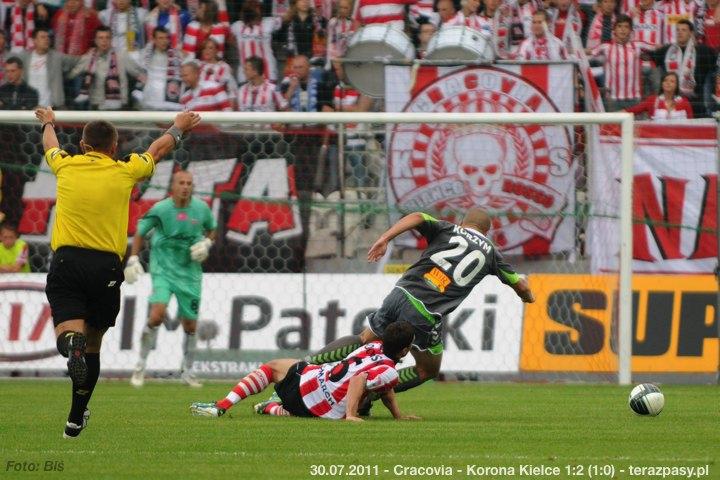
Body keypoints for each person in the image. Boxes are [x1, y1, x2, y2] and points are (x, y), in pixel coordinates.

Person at [34, 105, 201, 438]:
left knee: (69, 335)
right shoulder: (125, 170)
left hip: (68, 261)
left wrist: (48, 122)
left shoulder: (65, 165)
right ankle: (75, 417)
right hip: (106, 267)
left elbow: (50, 145)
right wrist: (178, 126)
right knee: (93, 345)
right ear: (114, 148)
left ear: (82, 146)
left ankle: (71, 346)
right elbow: (158, 148)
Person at [304, 208, 534, 414]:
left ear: (463, 223)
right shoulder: (492, 254)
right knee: (427, 369)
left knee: (364, 338)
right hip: (424, 312)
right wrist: (528, 298)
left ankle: (307, 365)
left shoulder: (448, 229)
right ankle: (368, 393)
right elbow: (521, 285)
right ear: (486, 231)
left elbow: (417, 216)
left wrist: (384, 238)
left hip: (400, 293)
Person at [190, 321, 419, 421]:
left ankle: (222, 405)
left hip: (308, 382)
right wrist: (351, 415)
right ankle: (272, 408)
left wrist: (397, 415)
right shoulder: (389, 371)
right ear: (405, 350)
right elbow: (362, 379)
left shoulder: (374, 345)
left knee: (272, 368)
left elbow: (383, 387)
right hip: (316, 409)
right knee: (363, 391)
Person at [125, 170, 217, 388]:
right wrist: (133, 258)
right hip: (163, 271)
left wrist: (206, 243)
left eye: (189, 183)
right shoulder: (161, 209)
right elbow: (140, 231)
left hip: (190, 274)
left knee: (190, 325)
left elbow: (212, 229)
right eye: (181, 183)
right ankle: (140, 366)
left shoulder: (201, 209)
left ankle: (187, 372)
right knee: (157, 314)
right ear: (172, 186)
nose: (185, 187)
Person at [650, 19, 716, 117]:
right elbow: (649, 57)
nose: (680, 32)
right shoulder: (667, 50)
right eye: (678, 30)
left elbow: (715, 64)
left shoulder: (703, 51)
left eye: (684, 30)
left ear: (691, 33)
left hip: (696, 101)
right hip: (674, 101)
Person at [589, 15, 652, 111]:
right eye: (619, 26)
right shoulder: (606, 47)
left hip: (634, 98)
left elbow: (657, 48)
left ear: (631, 31)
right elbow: (588, 52)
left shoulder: (638, 45)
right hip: (613, 98)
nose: (623, 30)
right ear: (614, 30)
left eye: (626, 27)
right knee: (613, 121)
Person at [68, 26, 132, 110]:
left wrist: (125, 102)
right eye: (100, 38)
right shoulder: (88, 57)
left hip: (117, 106)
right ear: (95, 40)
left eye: (107, 38)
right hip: (95, 106)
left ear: (111, 40)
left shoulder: (121, 57)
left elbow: (138, 74)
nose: (104, 41)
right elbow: (72, 74)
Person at [17, 27, 80, 109]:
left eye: (48, 37)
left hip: (51, 108)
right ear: (34, 40)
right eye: (43, 37)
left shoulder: (57, 57)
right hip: (30, 107)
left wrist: (70, 75)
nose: (47, 39)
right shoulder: (24, 57)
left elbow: (78, 61)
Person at [127, 26, 183, 111]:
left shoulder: (176, 56)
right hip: (149, 96)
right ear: (154, 39)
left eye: (166, 38)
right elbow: (131, 62)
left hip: (167, 98)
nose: (164, 41)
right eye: (161, 38)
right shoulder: (144, 54)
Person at [625, 71, 694, 119]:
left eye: (672, 81)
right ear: (662, 83)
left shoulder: (685, 102)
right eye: (665, 80)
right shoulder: (652, 100)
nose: (668, 83)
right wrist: (618, 116)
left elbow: (691, 124)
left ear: (676, 85)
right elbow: (632, 111)